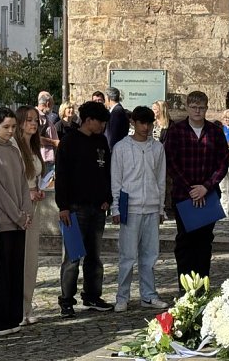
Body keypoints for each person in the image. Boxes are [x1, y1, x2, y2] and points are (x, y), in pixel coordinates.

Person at [164, 91, 229, 288]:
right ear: (187, 108)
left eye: (201, 107)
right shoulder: (176, 131)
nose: (197, 111)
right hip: (184, 195)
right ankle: (186, 288)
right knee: (185, 242)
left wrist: (206, 187)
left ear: (207, 108)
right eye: (194, 107)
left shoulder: (215, 132)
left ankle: (202, 285)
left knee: (204, 242)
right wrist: (191, 189)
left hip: (208, 195)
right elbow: (171, 162)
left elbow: (223, 163)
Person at [55, 101, 114, 317]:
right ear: (89, 120)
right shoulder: (69, 141)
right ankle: (66, 300)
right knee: (72, 257)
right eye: (101, 122)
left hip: (98, 208)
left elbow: (106, 172)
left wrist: (107, 198)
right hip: (74, 208)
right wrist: (63, 206)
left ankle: (92, 295)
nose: (103, 127)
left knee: (94, 256)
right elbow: (61, 175)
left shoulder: (101, 141)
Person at [0, 107, 32, 336]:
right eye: (6, 127)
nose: (10, 131)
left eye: (13, 127)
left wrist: (26, 212)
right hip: (3, 220)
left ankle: (13, 318)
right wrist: (17, 215)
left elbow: (22, 182)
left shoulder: (13, 149)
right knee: (0, 274)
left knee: (15, 271)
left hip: (19, 221)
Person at [110, 106, 168, 312]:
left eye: (149, 123)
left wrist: (160, 208)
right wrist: (116, 207)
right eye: (142, 123)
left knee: (150, 255)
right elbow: (116, 179)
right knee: (127, 256)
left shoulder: (157, 148)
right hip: (130, 207)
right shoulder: (121, 147)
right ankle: (122, 296)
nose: (145, 127)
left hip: (151, 206)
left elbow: (161, 180)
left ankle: (149, 295)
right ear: (133, 123)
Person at [15, 105, 46, 325]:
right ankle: (17, 307)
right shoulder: (15, 148)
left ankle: (26, 306)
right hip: (19, 206)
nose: (33, 124)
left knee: (31, 259)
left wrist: (38, 189)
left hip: (34, 206)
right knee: (20, 257)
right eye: (29, 120)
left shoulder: (34, 147)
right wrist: (29, 192)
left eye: (36, 120)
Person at [36, 91, 59, 173]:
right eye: (52, 104)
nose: (52, 107)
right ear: (48, 103)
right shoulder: (36, 116)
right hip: (42, 160)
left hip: (48, 160)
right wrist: (54, 142)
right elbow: (35, 137)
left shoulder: (45, 116)